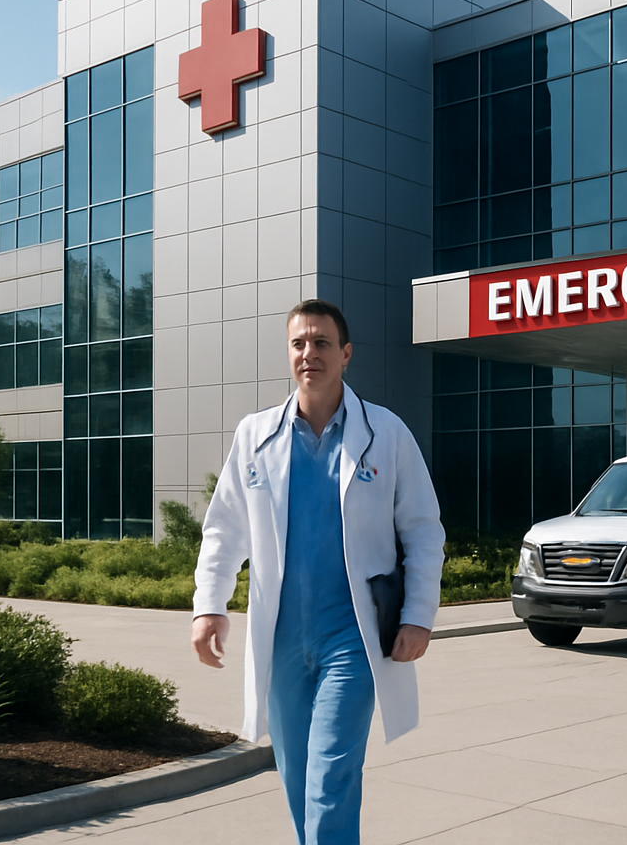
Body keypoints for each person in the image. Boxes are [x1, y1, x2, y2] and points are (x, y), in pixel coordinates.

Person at [191, 299, 446, 844]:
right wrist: (209, 605)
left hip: (350, 638)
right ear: (289, 354)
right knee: (296, 776)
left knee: (331, 777)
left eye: (322, 342)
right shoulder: (255, 435)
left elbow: (423, 530)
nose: (310, 353)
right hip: (282, 638)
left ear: (346, 354)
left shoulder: (387, 432)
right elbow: (224, 528)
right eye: (299, 343)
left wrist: (419, 616)